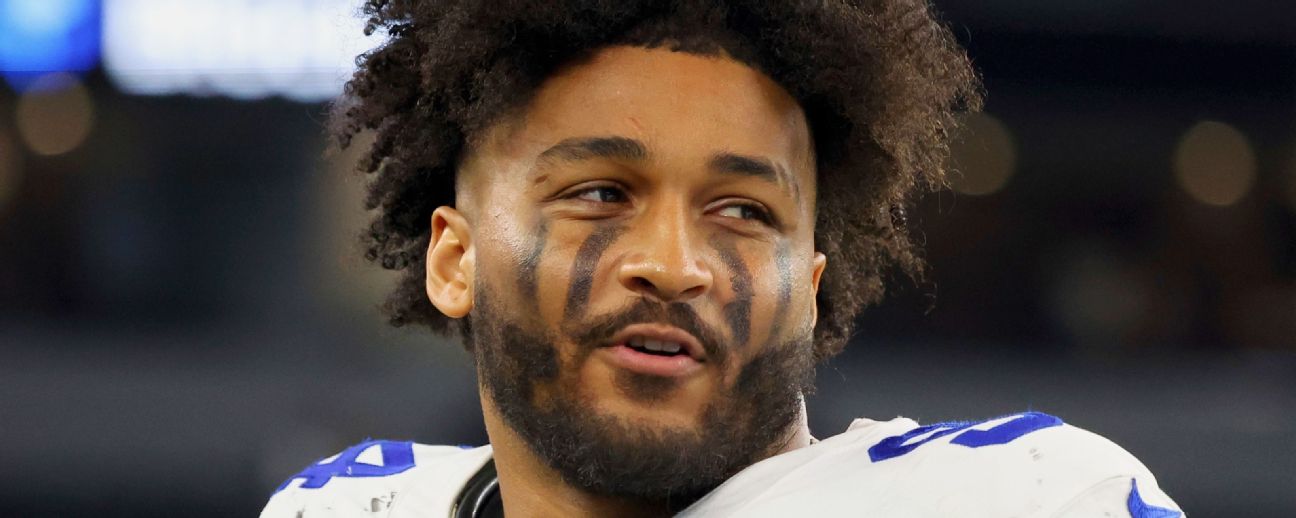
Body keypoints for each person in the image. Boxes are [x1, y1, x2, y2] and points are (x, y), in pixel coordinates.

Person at [263, 1, 1184, 516]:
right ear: (453, 261)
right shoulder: (345, 508)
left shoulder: (1025, 501)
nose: (674, 265)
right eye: (600, 194)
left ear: (811, 288)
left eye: (743, 211)